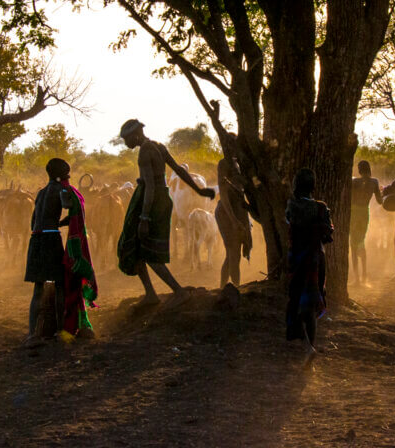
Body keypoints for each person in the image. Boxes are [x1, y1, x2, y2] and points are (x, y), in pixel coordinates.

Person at [117, 119, 215, 308]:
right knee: (139, 247)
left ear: (135, 135)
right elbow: (178, 169)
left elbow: (151, 186)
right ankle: (151, 293)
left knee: (143, 249)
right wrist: (199, 190)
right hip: (161, 199)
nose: (126, 143)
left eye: (127, 139)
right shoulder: (158, 146)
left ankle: (177, 291)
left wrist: (144, 217)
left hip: (149, 201)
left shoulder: (145, 152)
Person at [285, 168, 334, 368]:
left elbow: (289, 223)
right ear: (313, 186)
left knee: (297, 300)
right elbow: (328, 235)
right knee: (313, 301)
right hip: (316, 258)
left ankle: (307, 347)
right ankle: (310, 345)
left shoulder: (292, 205)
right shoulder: (321, 208)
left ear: (296, 185)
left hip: (298, 258)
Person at [24, 158, 72, 348]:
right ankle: (61, 331)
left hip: (36, 239)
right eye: (67, 174)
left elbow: (34, 220)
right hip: (51, 240)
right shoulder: (60, 190)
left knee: (38, 289)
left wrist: (57, 222)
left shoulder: (41, 192)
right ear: (61, 175)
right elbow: (68, 205)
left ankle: (31, 334)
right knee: (59, 285)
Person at [58, 179, 98, 342]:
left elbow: (64, 204)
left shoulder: (64, 191)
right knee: (76, 282)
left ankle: (67, 327)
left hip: (72, 245)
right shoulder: (76, 193)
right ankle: (83, 323)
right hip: (77, 240)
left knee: (70, 282)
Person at [214, 154, 253, 287]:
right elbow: (224, 196)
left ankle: (223, 288)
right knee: (233, 254)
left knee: (231, 254)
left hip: (237, 212)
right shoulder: (224, 164)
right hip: (227, 214)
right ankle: (235, 289)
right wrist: (234, 220)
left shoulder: (238, 163)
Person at [350, 160, 382, 285]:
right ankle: (364, 276)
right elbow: (380, 201)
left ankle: (357, 278)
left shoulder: (355, 182)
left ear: (359, 170)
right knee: (361, 242)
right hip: (364, 213)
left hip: (354, 213)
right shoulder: (374, 182)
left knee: (353, 244)